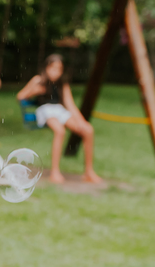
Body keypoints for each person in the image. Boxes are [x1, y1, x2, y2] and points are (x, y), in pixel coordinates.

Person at [16, 54, 101, 184]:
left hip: (59, 110)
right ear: (46, 68)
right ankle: (55, 172)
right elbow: (20, 96)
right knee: (60, 131)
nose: (55, 71)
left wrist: (81, 122)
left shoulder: (62, 83)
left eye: (59, 69)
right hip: (45, 110)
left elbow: (70, 105)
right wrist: (35, 91)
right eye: (53, 68)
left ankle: (89, 172)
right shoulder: (38, 80)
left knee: (88, 130)